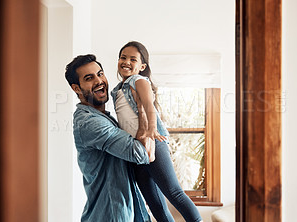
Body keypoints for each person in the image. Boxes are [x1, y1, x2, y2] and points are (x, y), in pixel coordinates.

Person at [111, 41, 203, 222]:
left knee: (174, 192)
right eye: (123, 57)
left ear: (142, 66)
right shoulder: (117, 90)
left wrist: (152, 129)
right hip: (135, 149)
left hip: (153, 141)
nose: (126, 62)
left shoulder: (138, 80)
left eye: (133, 59)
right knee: (154, 203)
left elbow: (149, 105)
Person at [65, 54, 154, 222]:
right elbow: (141, 154)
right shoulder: (89, 123)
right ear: (76, 88)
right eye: (89, 78)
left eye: (100, 73)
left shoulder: (105, 117)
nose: (99, 81)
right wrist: (141, 109)